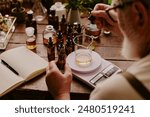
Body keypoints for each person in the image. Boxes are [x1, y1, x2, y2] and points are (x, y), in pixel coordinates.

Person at [45, 0, 150, 100]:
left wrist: (61, 94)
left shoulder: (111, 94)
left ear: (139, 14)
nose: (114, 12)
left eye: (117, 7)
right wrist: (126, 27)